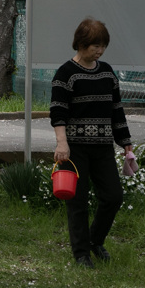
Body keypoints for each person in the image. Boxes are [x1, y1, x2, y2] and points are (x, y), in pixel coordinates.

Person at [51, 17, 133, 269]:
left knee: (113, 196)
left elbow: (116, 110)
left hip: (103, 147)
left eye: (102, 45)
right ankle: (81, 254)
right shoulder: (65, 74)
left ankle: (95, 241)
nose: (99, 50)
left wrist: (126, 143)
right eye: (94, 45)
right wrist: (61, 144)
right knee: (77, 200)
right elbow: (58, 112)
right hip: (75, 149)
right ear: (80, 43)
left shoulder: (108, 72)